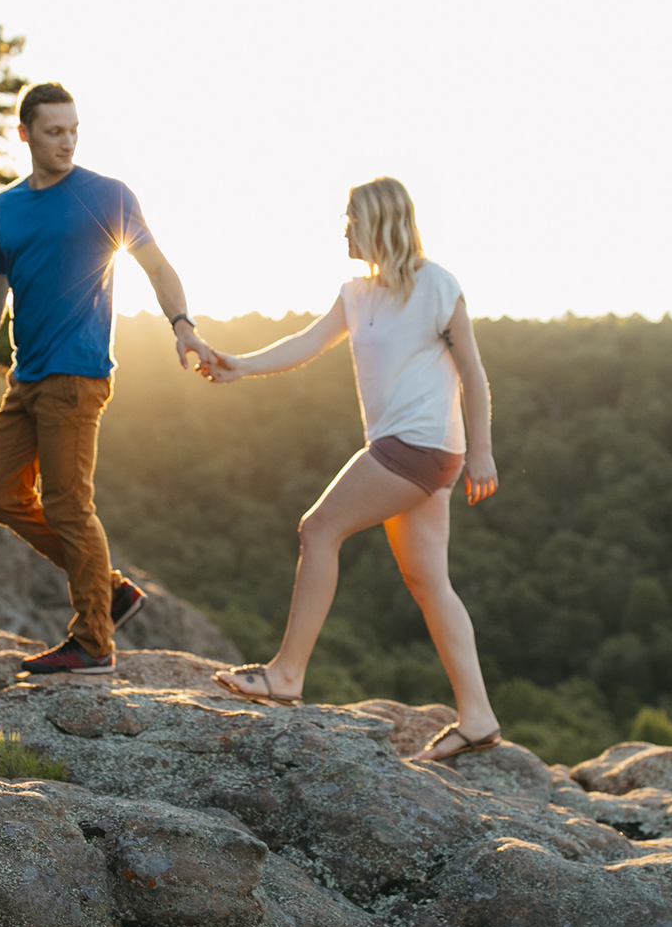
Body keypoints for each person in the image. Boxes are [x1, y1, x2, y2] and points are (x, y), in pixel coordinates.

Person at [0, 82, 218, 675]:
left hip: (77, 376)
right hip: (24, 376)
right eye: (55, 131)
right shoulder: (5, 208)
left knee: (67, 506)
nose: (68, 141)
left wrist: (182, 325)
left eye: (75, 130)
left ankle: (95, 643)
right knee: (2, 499)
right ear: (25, 133)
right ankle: (110, 588)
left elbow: (157, 266)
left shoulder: (106, 195)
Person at [203, 176, 502, 759]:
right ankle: (479, 718)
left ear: (381, 223)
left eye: (351, 219)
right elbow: (307, 343)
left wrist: (484, 451)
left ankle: (287, 673)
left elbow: (473, 373)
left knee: (319, 529)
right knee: (428, 582)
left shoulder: (438, 286)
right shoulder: (356, 293)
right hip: (415, 449)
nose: (344, 229)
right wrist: (240, 365)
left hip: (419, 445)